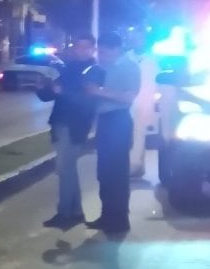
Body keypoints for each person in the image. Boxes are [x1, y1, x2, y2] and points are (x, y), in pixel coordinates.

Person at [84, 30, 142, 236]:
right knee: (104, 173)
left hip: (119, 121)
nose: (102, 55)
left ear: (116, 49)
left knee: (117, 174)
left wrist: (99, 91)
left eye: (105, 51)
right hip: (105, 123)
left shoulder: (129, 68)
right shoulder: (100, 67)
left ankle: (119, 220)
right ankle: (106, 215)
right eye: (100, 51)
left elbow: (129, 97)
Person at [36, 36, 97, 229]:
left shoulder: (94, 71)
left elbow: (87, 100)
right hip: (60, 123)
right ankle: (76, 211)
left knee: (64, 169)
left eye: (86, 47)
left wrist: (62, 91)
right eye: (79, 46)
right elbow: (52, 94)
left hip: (75, 125)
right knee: (68, 169)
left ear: (92, 49)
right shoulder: (69, 67)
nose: (82, 50)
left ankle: (65, 213)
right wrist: (42, 89)